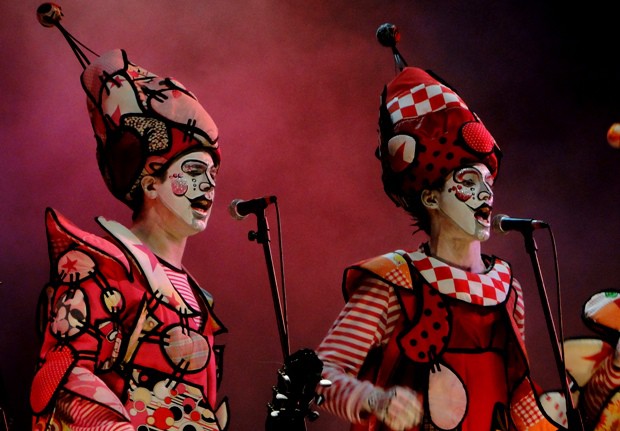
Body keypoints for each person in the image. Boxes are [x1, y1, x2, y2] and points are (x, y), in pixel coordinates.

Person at [314, 26, 559, 431]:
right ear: (430, 197)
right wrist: (374, 399)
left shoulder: (508, 288)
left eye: (487, 180)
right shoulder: (394, 281)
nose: (486, 192)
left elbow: (518, 397)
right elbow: (319, 376)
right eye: (468, 181)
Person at [30, 4, 229, 430]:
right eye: (194, 171)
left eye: (213, 174)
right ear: (151, 181)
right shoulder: (99, 268)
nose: (209, 186)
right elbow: (66, 381)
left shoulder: (198, 301)